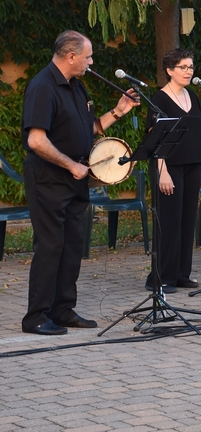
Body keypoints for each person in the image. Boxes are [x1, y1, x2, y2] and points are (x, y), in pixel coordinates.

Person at [21, 30, 140, 335]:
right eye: (88, 57)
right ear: (71, 56)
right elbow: (36, 140)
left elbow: (90, 129)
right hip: (49, 178)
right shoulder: (42, 87)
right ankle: (36, 317)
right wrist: (71, 164)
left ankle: (62, 310)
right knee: (50, 246)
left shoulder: (77, 87)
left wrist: (118, 111)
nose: (91, 62)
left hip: (76, 178)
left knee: (73, 245)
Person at [145, 48, 201, 293]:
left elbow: (198, 132)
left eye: (190, 67)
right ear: (170, 70)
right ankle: (162, 277)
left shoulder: (192, 96)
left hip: (192, 164)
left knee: (187, 220)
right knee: (169, 221)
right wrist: (162, 171)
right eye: (183, 67)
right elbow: (155, 138)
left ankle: (181, 274)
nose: (188, 71)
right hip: (169, 166)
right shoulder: (159, 99)